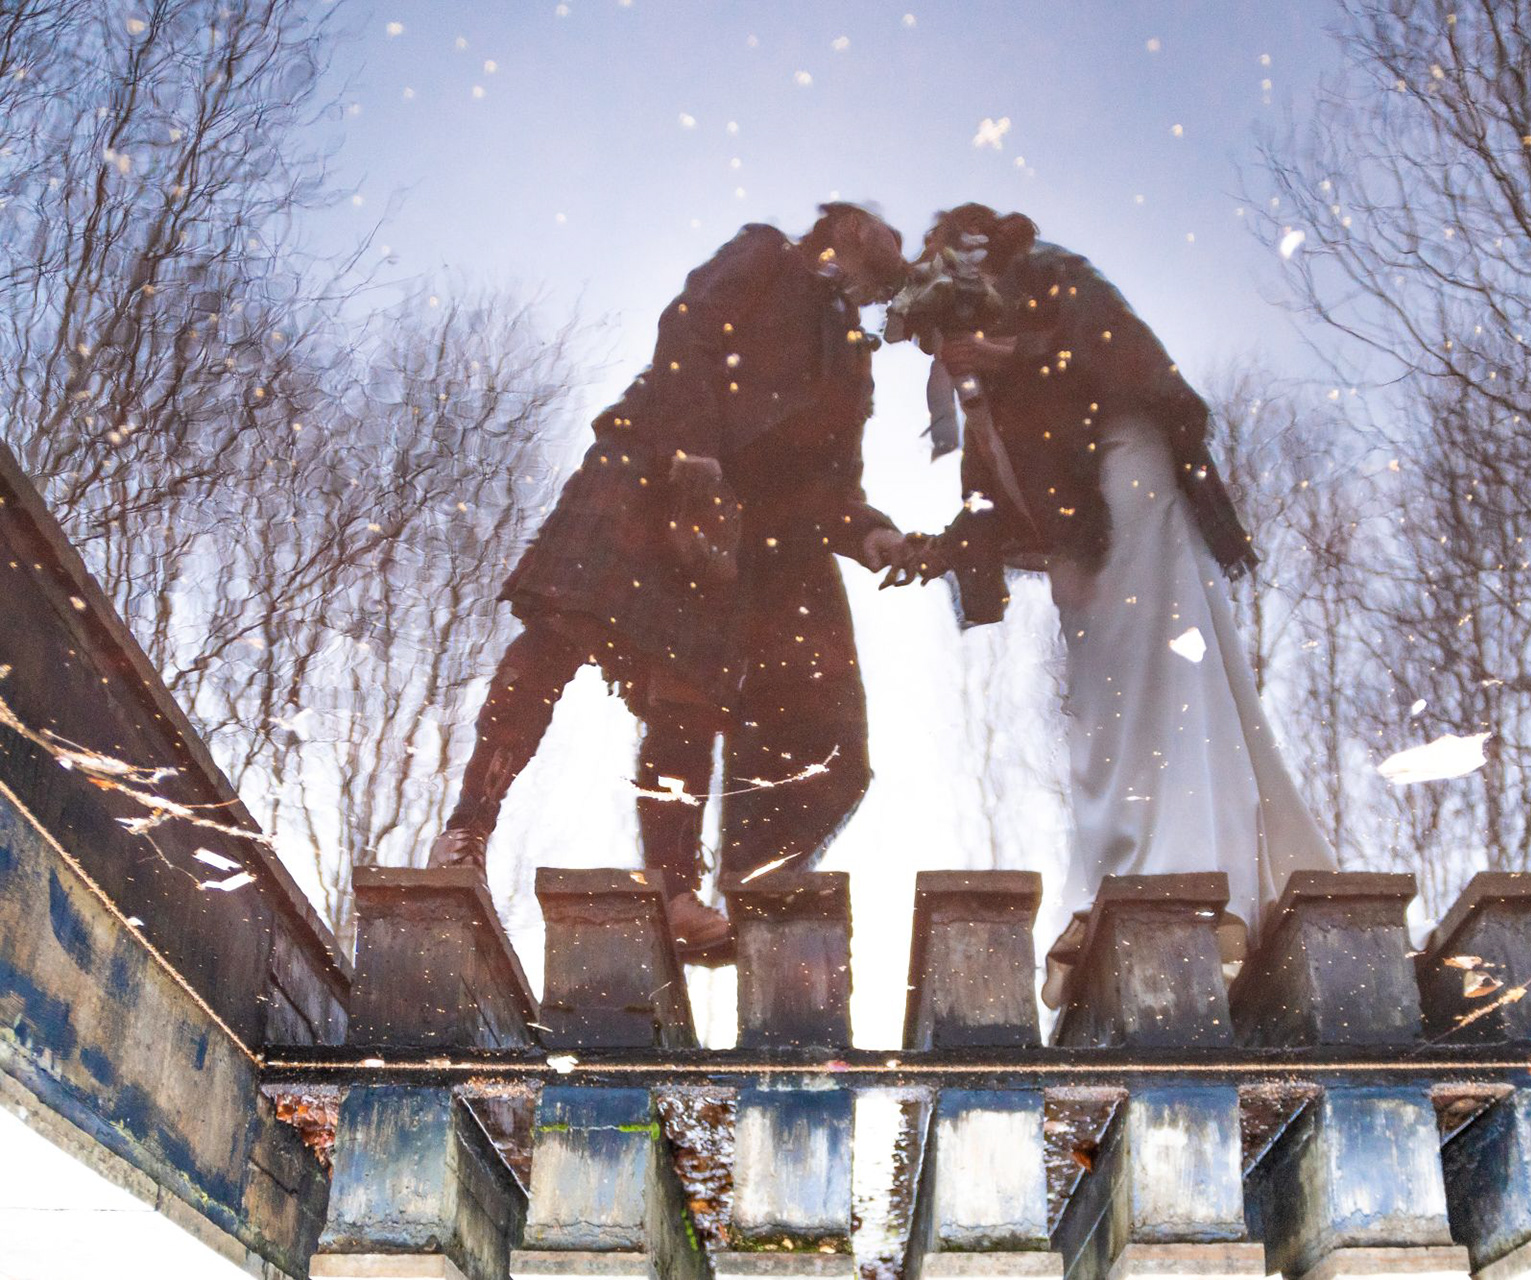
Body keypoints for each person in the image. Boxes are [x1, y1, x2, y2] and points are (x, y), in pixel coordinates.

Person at [428, 204, 909, 962]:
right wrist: (694, 456)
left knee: (688, 695)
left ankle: (674, 887)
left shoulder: (850, 359)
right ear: (842, 235)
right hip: (650, 467)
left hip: (722, 522)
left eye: (883, 288)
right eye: (874, 268)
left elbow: (827, 486)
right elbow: (687, 324)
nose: (874, 291)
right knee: (557, 637)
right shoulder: (765, 255)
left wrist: (870, 530)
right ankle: (467, 828)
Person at [884, 204, 1333, 1000]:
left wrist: (1008, 351)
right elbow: (998, 508)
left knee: (1159, 678)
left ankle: (1196, 878)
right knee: (1101, 706)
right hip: (1076, 539)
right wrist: (936, 551)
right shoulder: (983, 398)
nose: (944, 352)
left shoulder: (1050, 277)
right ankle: (1118, 887)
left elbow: (1118, 354)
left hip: (1124, 476)